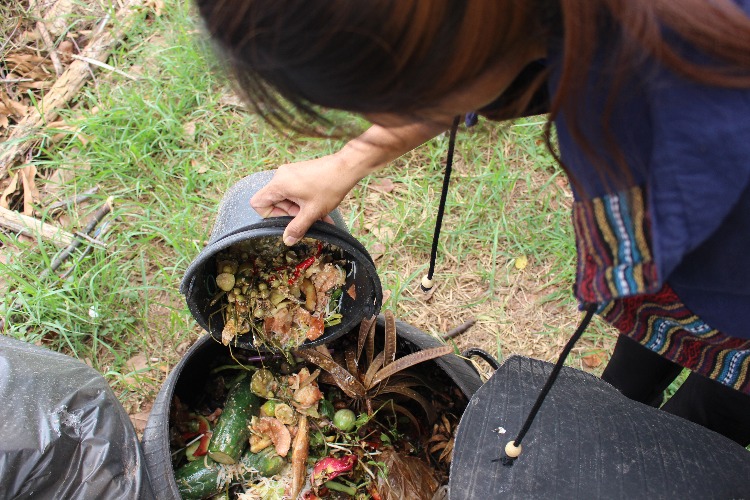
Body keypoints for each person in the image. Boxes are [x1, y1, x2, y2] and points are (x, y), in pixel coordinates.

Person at [194, 0, 750, 445]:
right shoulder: (538, 21)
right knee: (630, 381)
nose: (383, 120)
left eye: (389, 98)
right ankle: (620, 412)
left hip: (736, 317)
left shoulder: (694, 95)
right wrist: (348, 162)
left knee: (698, 428)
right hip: (672, 289)